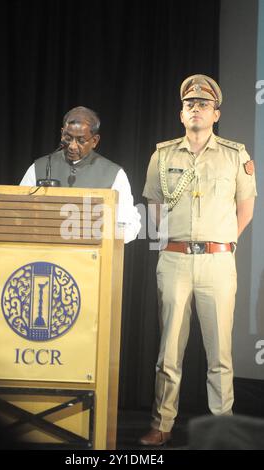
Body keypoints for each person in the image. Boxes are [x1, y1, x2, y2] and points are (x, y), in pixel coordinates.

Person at [140, 74, 257, 446]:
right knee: (168, 351)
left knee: (219, 353)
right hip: (174, 260)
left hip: (217, 263)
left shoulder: (235, 155)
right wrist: (172, 242)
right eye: (190, 104)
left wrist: (222, 244)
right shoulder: (163, 154)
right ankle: (162, 423)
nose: (196, 109)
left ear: (216, 113)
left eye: (203, 105)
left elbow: (246, 209)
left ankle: (222, 426)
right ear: (181, 113)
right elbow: (154, 208)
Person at [20, 106, 141, 243]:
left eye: (81, 141)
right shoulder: (39, 167)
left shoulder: (114, 174)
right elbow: (18, 212)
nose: (72, 146)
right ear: (61, 133)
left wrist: (100, 233)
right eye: (68, 138)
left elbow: (129, 224)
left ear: (94, 141)